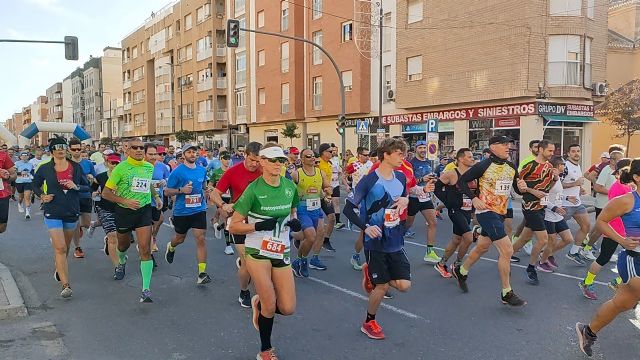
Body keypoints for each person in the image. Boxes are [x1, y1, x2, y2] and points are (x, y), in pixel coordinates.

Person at [228, 144, 299, 360]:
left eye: (282, 161)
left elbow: (293, 210)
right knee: (270, 303)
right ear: (263, 162)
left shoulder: (289, 186)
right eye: (274, 160)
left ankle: (259, 304)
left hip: (281, 249)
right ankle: (265, 351)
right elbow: (233, 225)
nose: (279, 165)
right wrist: (257, 227)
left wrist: (295, 221)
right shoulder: (253, 189)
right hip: (257, 250)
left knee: (287, 308)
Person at [343, 137, 412, 340]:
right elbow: (349, 208)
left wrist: (407, 199)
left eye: (404, 153)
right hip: (375, 240)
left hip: (395, 238)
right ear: (386, 155)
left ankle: (371, 274)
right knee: (381, 286)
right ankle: (369, 321)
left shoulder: (400, 177)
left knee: (404, 286)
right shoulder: (369, 179)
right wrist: (366, 227)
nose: (403, 157)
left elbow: (404, 197)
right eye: (399, 154)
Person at [575, 158, 640, 357]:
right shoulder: (626, 201)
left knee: (623, 303)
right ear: (637, 178)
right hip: (633, 260)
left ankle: (589, 331)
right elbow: (602, 221)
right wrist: (621, 239)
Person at [454, 135, 528, 306]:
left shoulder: (511, 166)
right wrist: (473, 198)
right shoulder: (484, 165)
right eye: (503, 144)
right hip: (486, 211)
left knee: (482, 247)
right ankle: (506, 293)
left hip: (500, 212)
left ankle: (461, 270)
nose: (507, 146)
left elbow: (517, 189)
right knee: (507, 250)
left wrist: (523, 189)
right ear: (493, 146)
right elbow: (462, 181)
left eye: (508, 143)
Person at [101, 139, 163, 303]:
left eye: (141, 148)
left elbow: (147, 184)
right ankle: (121, 261)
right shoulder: (121, 168)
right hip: (124, 212)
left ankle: (146, 290)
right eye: (134, 148)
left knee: (145, 249)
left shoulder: (148, 167)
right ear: (127, 150)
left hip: (143, 211)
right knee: (123, 246)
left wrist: (155, 196)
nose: (138, 150)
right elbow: (106, 193)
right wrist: (125, 201)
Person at [32, 137, 89, 298]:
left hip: (71, 211)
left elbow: (87, 186)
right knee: (60, 248)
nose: (60, 149)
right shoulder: (44, 168)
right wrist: (42, 196)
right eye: (57, 147)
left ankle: (60, 267)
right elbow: (35, 184)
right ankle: (65, 285)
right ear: (51, 151)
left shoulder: (76, 167)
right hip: (52, 210)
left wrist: (76, 186)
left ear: (66, 149)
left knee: (66, 247)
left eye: (63, 146)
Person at [210, 142, 263, 308]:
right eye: (252, 160)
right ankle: (244, 291)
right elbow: (214, 194)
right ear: (245, 155)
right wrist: (222, 206)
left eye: (258, 160)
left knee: (261, 260)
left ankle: (262, 289)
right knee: (248, 262)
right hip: (239, 222)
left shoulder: (265, 171)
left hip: (260, 221)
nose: (255, 164)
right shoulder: (233, 171)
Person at [578, 157, 631, 300]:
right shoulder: (621, 187)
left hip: (624, 228)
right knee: (604, 258)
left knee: (632, 258)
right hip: (615, 228)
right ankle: (587, 282)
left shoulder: (625, 186)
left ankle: (618, 282)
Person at [510, 140, 557, 285]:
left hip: (541, 206)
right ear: (541, 150)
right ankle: (531, 267)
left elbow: (548, 187)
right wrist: (532, 191)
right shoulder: (529, 165)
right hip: (530, 206)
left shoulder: (549, 166)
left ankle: (505, 256)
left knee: (524, 238)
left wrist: (555, 178)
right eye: (549, 151)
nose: (552, 153)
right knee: (543, 239)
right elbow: (519, 186)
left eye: (553, 151)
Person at [164, 144, 212, 285]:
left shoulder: (202, 170)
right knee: (180, 239)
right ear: (183, 155)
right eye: (189, 152)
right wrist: (181, 190)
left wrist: (207, 190)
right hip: (182, 211)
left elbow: (204, 186)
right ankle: (171, 247)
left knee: (201, 238)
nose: (192, 154)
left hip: (199, 209)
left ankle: (202, 273)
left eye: (194, 152)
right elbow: (167, 191)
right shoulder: (177, 172)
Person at [434, 148, 476, 278]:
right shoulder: (451, 174)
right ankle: (457, 265)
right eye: (469, 157)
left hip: (467, 210)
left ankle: (441, 264)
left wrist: (474, 210)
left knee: (456, 239)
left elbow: (475, 192)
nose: (472, 159)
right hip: (455, 210)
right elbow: (436, 188)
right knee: (469, 238)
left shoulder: (473, 174)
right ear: (461, 159)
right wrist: (447, 201)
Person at [290, 148, 332, 277]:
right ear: (302, 159)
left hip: (317, 209)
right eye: (308, 156)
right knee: (311, 236)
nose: (312, 158)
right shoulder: (296, 174)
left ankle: (300, 260)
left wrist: (328, 192)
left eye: (313, 156)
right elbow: (289, 191)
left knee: (318, 235)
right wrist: (292, 210)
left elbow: (326, 186)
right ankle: (301, 260)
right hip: (303, 210)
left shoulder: (320, 173)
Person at [536, 157, 574, 272]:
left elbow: (557, 194)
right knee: (551, 241)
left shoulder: (558, 178)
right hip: (548, 215)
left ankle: (547, 254)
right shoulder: (549, 179)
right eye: (563, 164)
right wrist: (555, 208)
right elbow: (543, 198)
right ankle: (541, 263)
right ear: (557, 166)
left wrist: (566, 197)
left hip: (558, 215)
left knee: (568, 239)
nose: (564, 166)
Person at [406, 140, 441, 263]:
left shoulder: (428, 162)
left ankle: (429, 252)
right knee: (407, 225)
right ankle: (395, 245)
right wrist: (422, 178)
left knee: (433, 222)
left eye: (424, 148)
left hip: (425, 197)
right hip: (413, 197)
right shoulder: (410, 164)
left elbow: (430, 177)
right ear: (415, 149)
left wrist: (433, 179)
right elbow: (408, 182)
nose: (422, 150)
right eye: (420, 147)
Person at [92, 153, 122, 278]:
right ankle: (118, 267)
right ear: (107, 163)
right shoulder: (100, 177)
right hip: (104, 208)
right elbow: (92, 188)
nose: (114, 165)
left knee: (121, 238)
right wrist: (94, 193)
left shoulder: (125, 177)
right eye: (112, 163)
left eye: (117, 163)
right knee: (112, 235)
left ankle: (108, 242)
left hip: (121, 208)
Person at [563, 144, 593, 264]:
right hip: (565, 204)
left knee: (586, 226)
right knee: (553, 231)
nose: (576, 153)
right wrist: (575, 184)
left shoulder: (578, 165)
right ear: (568, 153)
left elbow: (575, 182)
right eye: (573, 151)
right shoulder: (565, 166)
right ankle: (543, 252)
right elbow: (557, 185)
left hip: (577, 203)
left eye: (578, 151)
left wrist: (579, 188)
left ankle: (574, 252)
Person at [345, 147, 374, 270]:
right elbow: (344, 175)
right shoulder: (354, 165)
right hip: (358, 193)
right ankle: (356, 256)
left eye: (369, 155)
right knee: (364, 231)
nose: (367, 157)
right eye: (365, 155)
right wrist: (347, 185)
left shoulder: (372, 164)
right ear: (359, 155)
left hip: (370, 195)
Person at [68, 138, 96, 259]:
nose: (76, 151)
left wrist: (92, 180)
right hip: (71, 197)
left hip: (85, 196)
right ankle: (77, 247)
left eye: (79, 149)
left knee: (85, 223)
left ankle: (82, 226)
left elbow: (95, 181)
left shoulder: (88, 163)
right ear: (69, 150)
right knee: (75, 223)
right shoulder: (66, 163)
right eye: (74, 149)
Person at [145, 144, 170, 255]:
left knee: (159, 220)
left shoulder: (162, 166)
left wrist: (165, 181)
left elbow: (168, 178)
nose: (154, 156)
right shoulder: (142, 166)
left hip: (158, 199)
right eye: (150, 154)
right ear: (145, 154)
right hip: (144, 200)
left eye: (155, 154)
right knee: (147, 225)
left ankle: (152, 238)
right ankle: (147, 248)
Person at [208, 151, 233, 254]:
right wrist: (214, 190)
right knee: (227, 219)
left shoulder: (233, 171)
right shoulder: (216, 172)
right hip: (220, 199)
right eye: (225, 159)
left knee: (232, 221)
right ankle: (228, 246)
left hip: (231, 199)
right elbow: (210, 185)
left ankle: (218, 227)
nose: (227, 161)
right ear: (221, 159)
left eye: (229, 159)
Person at [317, 143, 339, 251]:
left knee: (332, 218)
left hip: (326, 195)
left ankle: (326, 241)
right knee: (313, 222)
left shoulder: (330, 164)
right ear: (323, 153)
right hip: (315, 195)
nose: (332, 153)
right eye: (330, 151)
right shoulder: (317, 163)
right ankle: (298, 237)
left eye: (332, 151)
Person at [0, 146, 16, 234]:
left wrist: (8, 176)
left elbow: (14, 175)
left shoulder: (3, 156)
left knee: (2, 226)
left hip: (2, 195)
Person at [14, 151, 35, 219]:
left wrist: (32, 177)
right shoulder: (17, 163)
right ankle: (19, 203)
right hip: (19, 182)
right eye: (23, 155)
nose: (24, 157)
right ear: (20, 157)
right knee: (21, 197)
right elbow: (14, 172)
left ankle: (27, 213)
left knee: (27, 196)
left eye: (26, 155)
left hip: (28, 182)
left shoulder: (30, 164)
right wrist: (22, 173)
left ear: (28, 157)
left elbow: (33, 173)